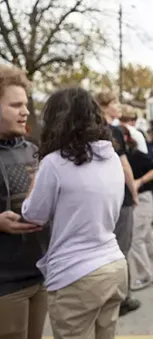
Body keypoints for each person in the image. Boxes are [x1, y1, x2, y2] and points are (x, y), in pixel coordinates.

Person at [23, 87, 127, 338]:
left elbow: (33, 215)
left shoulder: (55, 163)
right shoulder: (111, 157)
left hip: (75, 273)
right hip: (113, 264)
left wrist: (34, 181)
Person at [0, 65, 48, 339]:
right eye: (15, 105)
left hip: (38, 275)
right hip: (4, 284)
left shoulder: (33, 151)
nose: (25, 111)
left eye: (26, 104)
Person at [95, 90, 141, 316]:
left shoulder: (88, 131)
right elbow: (124, 166)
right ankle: (121, 298)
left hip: (98, 198)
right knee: (122, 248)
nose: (118, 106)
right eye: (114, 102)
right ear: (104, 106)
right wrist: (134, 193)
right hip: (119, 198)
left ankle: (103, 296)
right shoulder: (113, 132)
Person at [120, 125, 153, 291]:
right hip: (136, 200)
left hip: (143, 198)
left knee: (136, 238)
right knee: (147, 236)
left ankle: (144, 275)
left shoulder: (134, 155)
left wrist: (139, 181)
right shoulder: (120, 156)